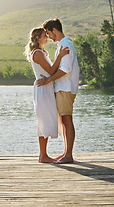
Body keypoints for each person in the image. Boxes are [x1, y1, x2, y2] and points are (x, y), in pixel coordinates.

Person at [37, 18, 79, 164]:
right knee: (64, 121)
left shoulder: (65, 45)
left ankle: (68, 155)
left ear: (54, 30)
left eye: (49, 33)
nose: (48, 36)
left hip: (65, 87)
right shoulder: (62, 45)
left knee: (67, 120)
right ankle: (66, 153)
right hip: (62, 87)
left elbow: (65, 69)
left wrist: (48, 80)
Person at [24, 27, 69, 163]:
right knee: (44, 120)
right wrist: (60, 56)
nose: (47, 37)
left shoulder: (42, 52)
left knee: (47, 119)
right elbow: (50, 70)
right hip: (43, 89)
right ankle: (43, 156)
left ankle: (44, 155)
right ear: (38, 38)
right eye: (45, 35)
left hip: (46, 88)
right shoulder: (38, 53)